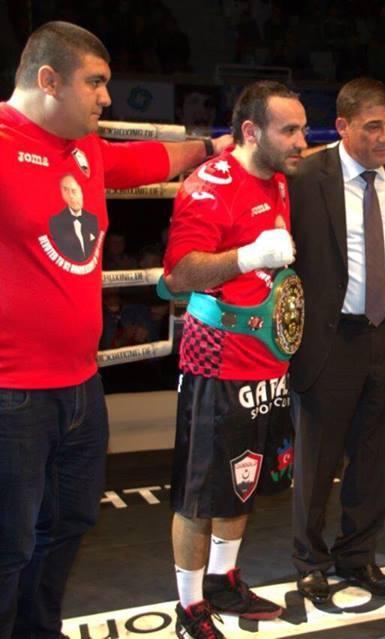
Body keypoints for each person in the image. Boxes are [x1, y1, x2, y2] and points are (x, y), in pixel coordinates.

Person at [0, 21, 230, 639]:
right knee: (7, 544)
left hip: (81, 384)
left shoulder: (85, 149)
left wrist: (213, 148)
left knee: (70, 521)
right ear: (49, 80)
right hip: (11, 393)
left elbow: (150, 159)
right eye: (95, 82)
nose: (106, 97)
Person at [161, 80, 307, 637]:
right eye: (289, 130)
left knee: (242, 481)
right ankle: (190, 606)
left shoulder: (277, 176)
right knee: (200, 494)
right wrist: (248, 256)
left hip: (267, 357)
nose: (301, 141)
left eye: (302, 128)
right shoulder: (210, 185)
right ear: (251, 131)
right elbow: (179, 273)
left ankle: (223, 581)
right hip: (217, 360)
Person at [288, 77, 385, 605]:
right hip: (329, 336)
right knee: (317, 458)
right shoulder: (307, 176)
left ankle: (358, 554)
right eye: (372, 127)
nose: (384, 138)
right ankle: (309, 560)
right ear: (342, 126)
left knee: (374, 453)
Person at [49, 174, 100, 262]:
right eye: (66, 191)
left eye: (74, 191)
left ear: (82, 192)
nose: (71, 196)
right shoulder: (56, 222)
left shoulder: (93, 219)